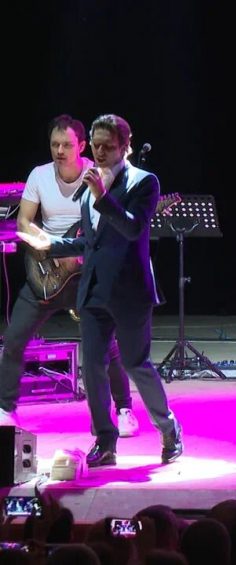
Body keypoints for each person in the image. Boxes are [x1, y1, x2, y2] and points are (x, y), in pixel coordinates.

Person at [19, 114, 183, 466]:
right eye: (96, 146)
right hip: (93, 291)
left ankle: (168, 428)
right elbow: (91, 243)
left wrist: (103, 196)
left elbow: (133, 229)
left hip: (129, 292)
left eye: (108, 146)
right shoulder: (89, 187)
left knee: (136, 364)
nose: (100, 152)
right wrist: (52, 244)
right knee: (92, 366)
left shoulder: (144, 183)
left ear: (126, 146)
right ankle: (105, 441)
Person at [0, 115, 138, 436]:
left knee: (108, 345)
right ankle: (6, 408)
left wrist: (82, 252)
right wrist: (46, 248)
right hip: (45, 272)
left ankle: (124, 409)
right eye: (54, 145)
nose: (59, 151)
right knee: (14, 338)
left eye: (66, 145)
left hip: (85, 275)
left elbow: (112, 227)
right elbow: (24, 223)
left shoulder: (99, 175)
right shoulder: (39, 175)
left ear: (82, 146)